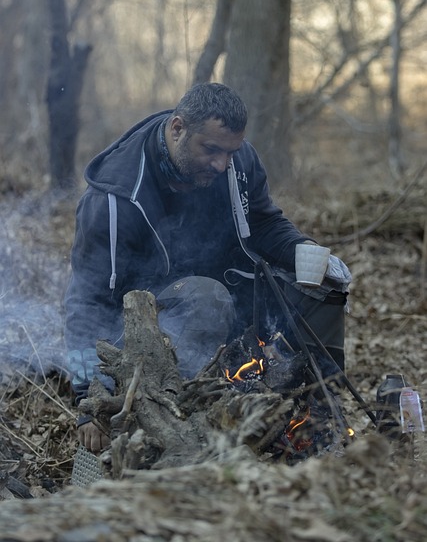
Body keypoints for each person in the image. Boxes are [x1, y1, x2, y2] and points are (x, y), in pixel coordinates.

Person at [64, 82, 351, 453]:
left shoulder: (237, 161)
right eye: (212, 150)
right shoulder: (114, 200)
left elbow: (263, 223)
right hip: (147, 337)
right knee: (205, 295)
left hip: (232, 306)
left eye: (230, 151)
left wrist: (307, 252)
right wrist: (88, 399)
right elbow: (86, 302)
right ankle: (188, 421)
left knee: (320, 287)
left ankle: (317, 418)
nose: (222, 163)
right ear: (178, 128)